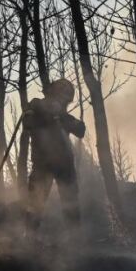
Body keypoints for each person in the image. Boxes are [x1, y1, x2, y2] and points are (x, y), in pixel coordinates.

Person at [24, 78, 87, 233]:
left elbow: (80, 130)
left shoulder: (64, 116)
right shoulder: (37, 105)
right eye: (63, 96)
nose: (64, 102)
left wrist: (61, 116)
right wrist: (42, 112)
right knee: (35, 202)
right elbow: (27, 123)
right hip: (42, 163)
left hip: (64, 163)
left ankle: (75, 239)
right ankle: (29, 238)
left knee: (70, 201)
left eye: (67, 100)